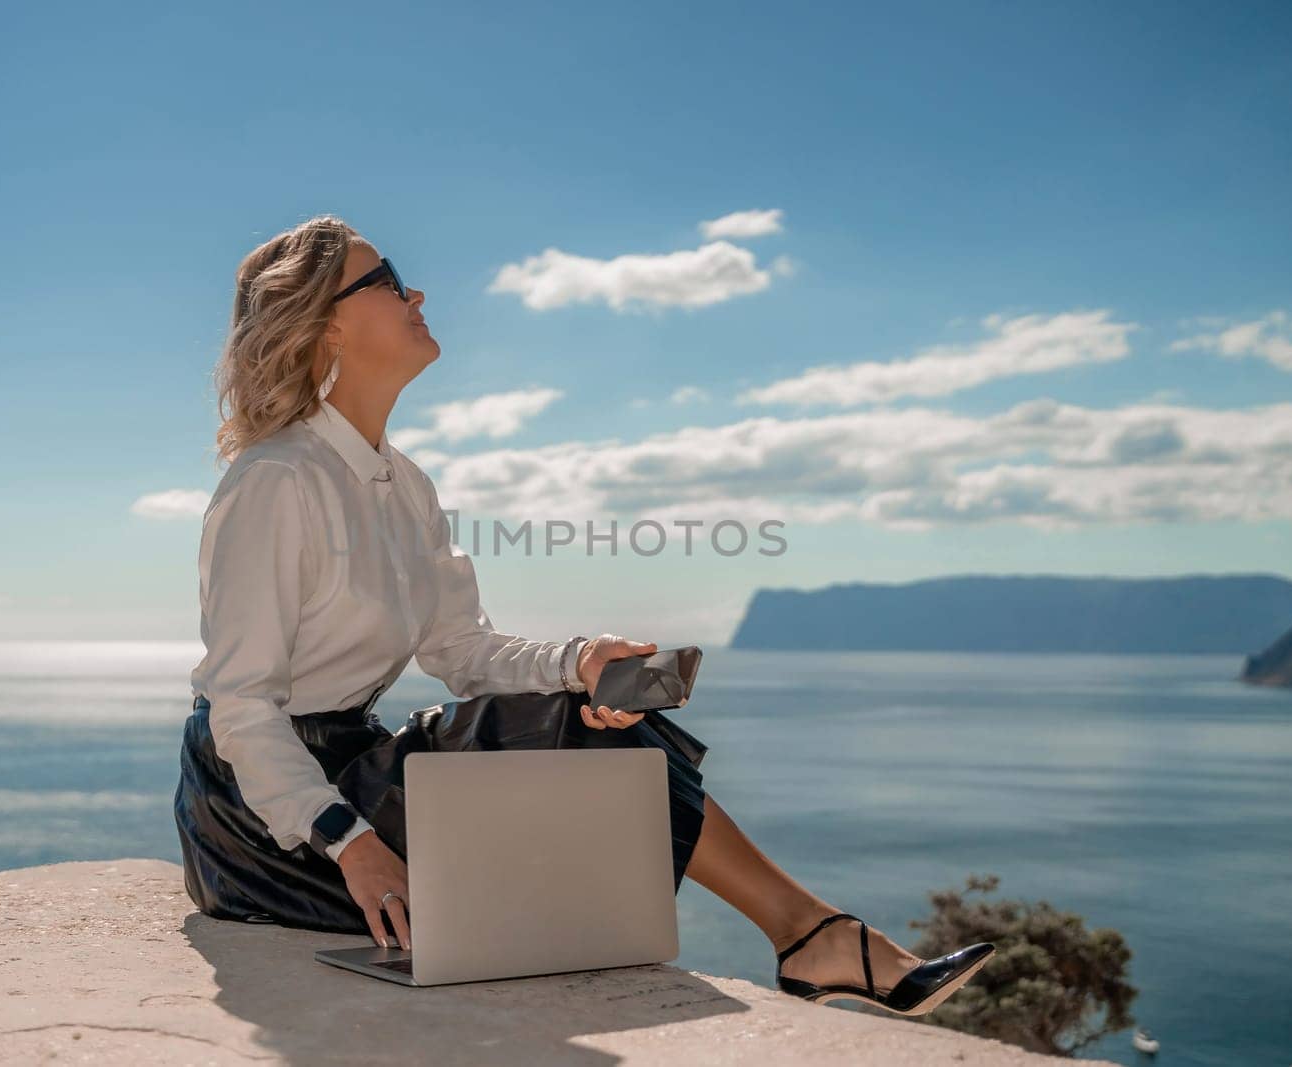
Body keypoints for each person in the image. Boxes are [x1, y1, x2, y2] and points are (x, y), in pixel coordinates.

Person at [172, 215, 994, 1015]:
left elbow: (460, 649)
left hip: (354, 765)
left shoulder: (405, 485)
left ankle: (812, 936)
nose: (416, 289)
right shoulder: (275, 480)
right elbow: (242, 706)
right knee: (566, 757)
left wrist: (582, 660)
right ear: (326, 327)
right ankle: (817, 939)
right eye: (385, 279)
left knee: (600, 722)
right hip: (264, 817)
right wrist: (352, 843)